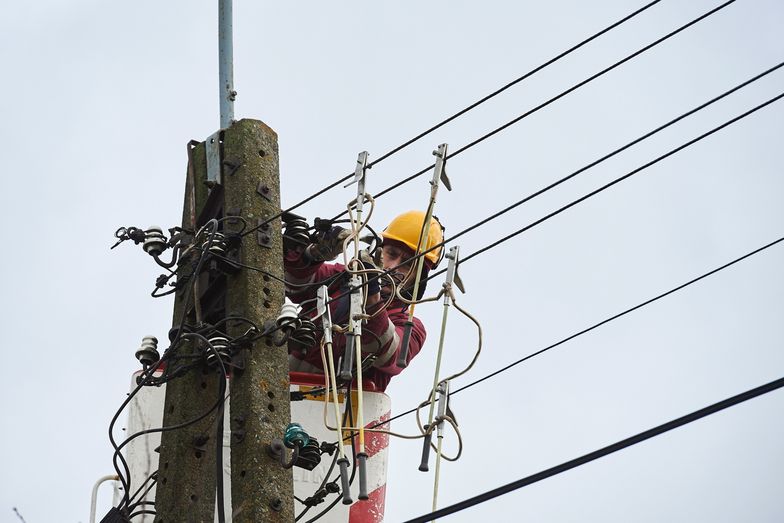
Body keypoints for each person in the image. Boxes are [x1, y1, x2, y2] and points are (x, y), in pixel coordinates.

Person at [282, 211, 444, 391]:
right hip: (280, 390)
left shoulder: (411, 327)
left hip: (340, 406)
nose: (392, 267)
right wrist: (312, 253)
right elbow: (293, 283)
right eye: (391, 254)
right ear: (379, 251)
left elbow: (388, 352)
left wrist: (371, 295)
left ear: (418, 278)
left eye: (407, 263)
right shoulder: (341, 278)